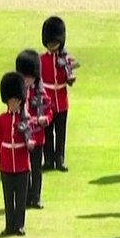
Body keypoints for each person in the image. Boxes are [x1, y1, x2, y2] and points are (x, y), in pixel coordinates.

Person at [0, 72, 31, 236]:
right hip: (7, 161)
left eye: (16, 101)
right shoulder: (1, 119)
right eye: (11, 101)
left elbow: (33, 137)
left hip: (22, 161)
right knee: (8, 197)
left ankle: (20, 225)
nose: (14, 104)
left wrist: (30, 143)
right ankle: (9, 225)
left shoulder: (26, 119)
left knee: (21, 197)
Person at [39, 16, 77, 171]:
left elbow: (69, 80)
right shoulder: (41, 59)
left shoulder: (66, 59)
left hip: (61, 99)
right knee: (47, 132)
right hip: (47, 100)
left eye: (55, 42)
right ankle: (48, 160)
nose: (53, 45)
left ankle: (59, 159)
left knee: (60, 132)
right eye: (51, 42)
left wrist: (68, 73)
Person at [17, 50, 53, 209]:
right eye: (24, 77)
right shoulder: (18, 92)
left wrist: (45, 119)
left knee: (36, 169)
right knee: (24, 169)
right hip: (23, 137)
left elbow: (49, 110)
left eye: (29, 77)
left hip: (37, 136)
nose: (27, 80)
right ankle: (25, 197)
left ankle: (36, 197)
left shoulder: (40, 92)